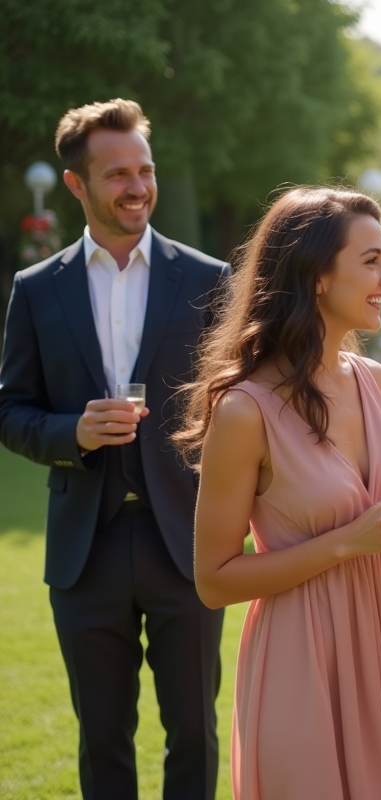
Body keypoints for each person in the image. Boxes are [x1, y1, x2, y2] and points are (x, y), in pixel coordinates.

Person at [174, 187, 381, 799]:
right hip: (298, 658)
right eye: (371, 260)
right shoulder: (245, 409)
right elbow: (213, 579)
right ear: (318, 276)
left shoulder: (373, 382)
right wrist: (348, 540)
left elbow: (380, 551)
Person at [0, 99, 227, 799]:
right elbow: (10, 409)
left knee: (193, 732)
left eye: (146, 170)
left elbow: (235, 404)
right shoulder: (37, 291)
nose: (138, 187)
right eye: (117, 174)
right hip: (84, 550)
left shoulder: (209, 280)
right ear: (77, 185)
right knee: (102, 741)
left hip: (185, 545)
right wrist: (72, 433)